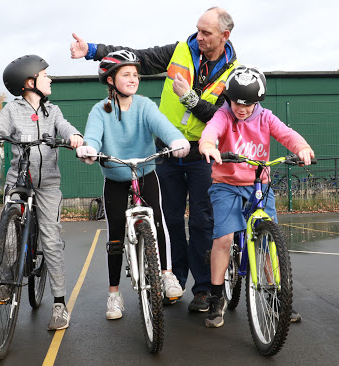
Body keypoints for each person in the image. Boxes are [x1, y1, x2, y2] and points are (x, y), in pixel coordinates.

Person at [70, 7, 239, 312]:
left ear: (224, 36)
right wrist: (92, 50)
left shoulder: (232, 72)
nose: (198, 37)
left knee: (202, 220)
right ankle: (171, 279)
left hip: (201, 151)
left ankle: (202, 289)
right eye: (198, 30)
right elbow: (136, 58)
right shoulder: (179, 51)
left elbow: (222, 117)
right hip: (166, 151)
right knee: (169, 218)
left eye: (206, 33)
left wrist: (190, 99)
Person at [0, 55, 84, 331]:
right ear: (30, 82)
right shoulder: (12, 110)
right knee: (8, 234)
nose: (51, 79)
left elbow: (65, 128)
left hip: (47, 185)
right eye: (46, 75)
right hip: (19, 181)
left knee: (51, 239)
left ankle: (59, 303)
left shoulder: (53, 111)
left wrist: (75, 137)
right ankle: (8, 278)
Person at [75, 50, 190, 319]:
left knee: (158, 220)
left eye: (136, 74)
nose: (133, 79)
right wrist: (89, 149)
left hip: (145, 173)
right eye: (126, 74)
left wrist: (176, 141)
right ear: (110, 80)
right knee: (114, 234)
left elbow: (163, 126)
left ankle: (166, 275)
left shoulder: (145, 106)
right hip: (115, 177)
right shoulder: (100, 111)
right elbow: (92, 136)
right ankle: (114, 294)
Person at [199, 65, 313, 327]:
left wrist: (303, 147)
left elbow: (287, 134)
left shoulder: (266, 118)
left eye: (248, 103)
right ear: (228, 99)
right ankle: (217, 298)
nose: (241, 108)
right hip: (226, 184)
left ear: (257, 102)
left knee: (267, 240)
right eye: (236, 102)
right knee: (224, 237)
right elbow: (210, 132)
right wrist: (208, 146)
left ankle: (274, 295)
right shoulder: (223, 115)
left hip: (258, 184)